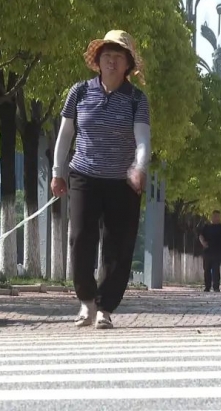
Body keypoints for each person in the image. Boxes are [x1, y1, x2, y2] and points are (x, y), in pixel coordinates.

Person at [50, 30, 151, 329]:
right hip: (84, 175)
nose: (112, 61)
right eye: (107, 55)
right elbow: (65, 134)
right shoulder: (79, 92)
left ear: (127, 64)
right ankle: (86, 301)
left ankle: (106, 307)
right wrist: (58, 172)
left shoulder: (136, 99)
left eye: (118, 57)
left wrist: (139, 167)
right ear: (98, 60)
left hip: (123, 181)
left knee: (118, 247)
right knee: (81, 238)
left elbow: (143, 139)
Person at [198, 210, 221, 292]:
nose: (216, 218)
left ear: (220, 217)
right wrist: (203, 242)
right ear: (212, 217)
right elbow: (201, 236)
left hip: (217, 251)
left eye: (218, 216)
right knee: (206, 269)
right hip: (207, 251)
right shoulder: (207, 227)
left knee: (216, 270)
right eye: (214, 216)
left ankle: (216, 287)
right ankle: (207, 286)